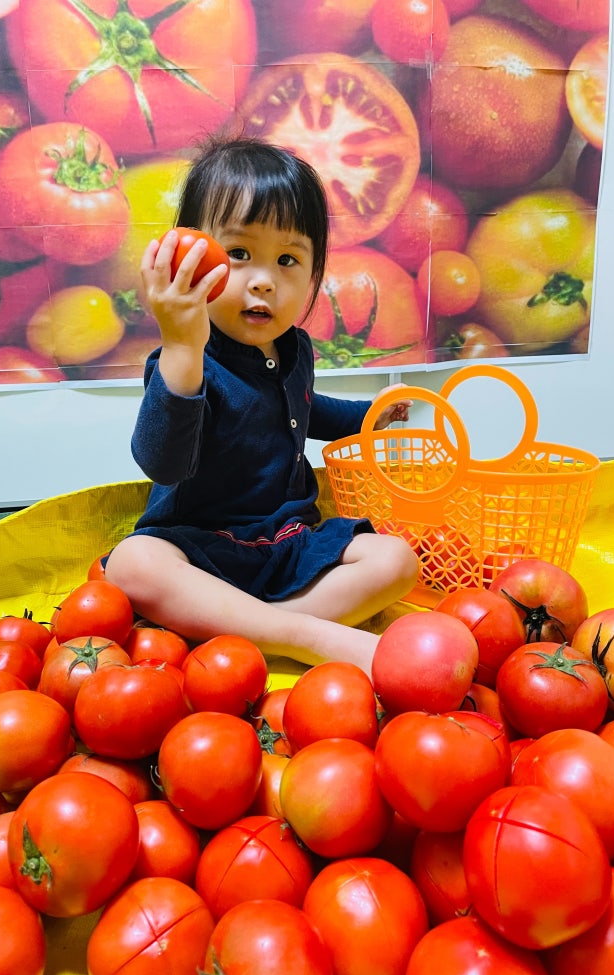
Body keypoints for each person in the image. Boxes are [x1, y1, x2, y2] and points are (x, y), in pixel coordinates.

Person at [104, 137, 418, 675]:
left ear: (314, 273)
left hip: (288, 541)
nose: (264, 281)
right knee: (134, 564)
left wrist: (368, 418)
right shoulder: (186, 358)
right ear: (191, 261)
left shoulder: (295, 350)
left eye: (288, 259)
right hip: (201, 547)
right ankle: (302, 634)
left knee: (396, 561)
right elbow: (163, 463)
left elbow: (304, 410)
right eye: (239, 254)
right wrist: (181, 345)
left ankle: (252, 630)